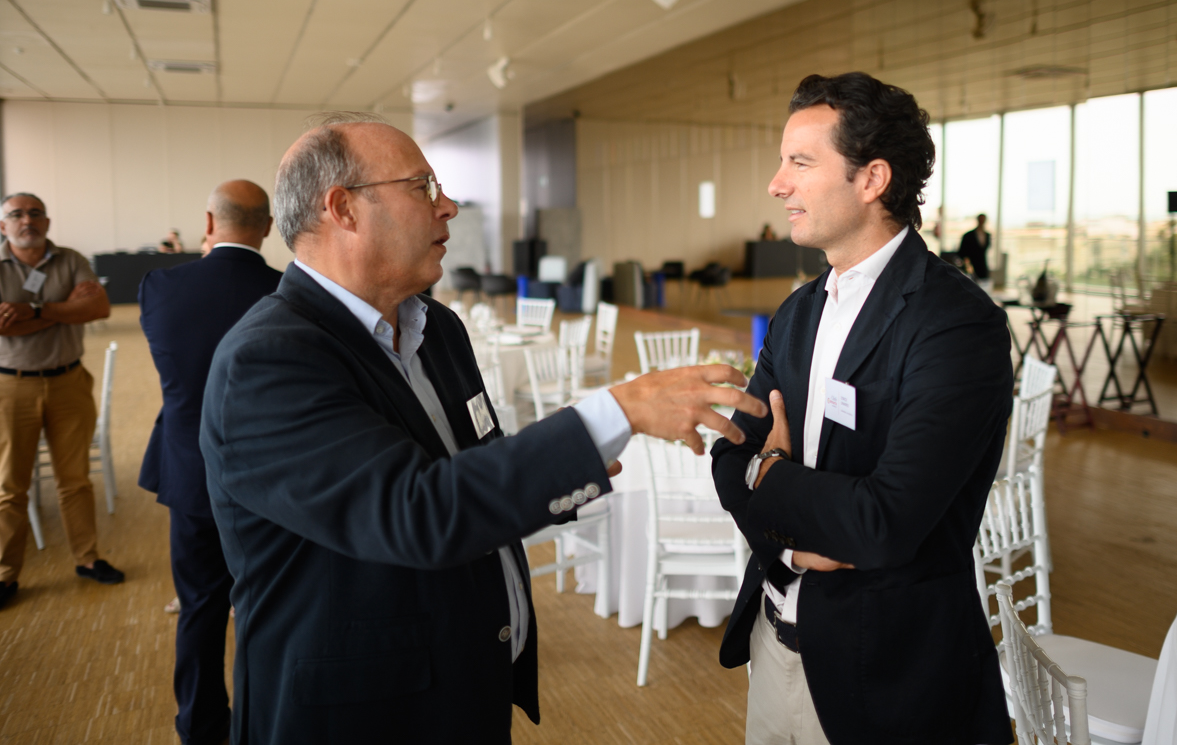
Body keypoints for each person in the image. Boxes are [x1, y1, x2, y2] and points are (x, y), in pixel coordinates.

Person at [199, 113, 767, 744]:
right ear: (344, 210)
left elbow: (472, 464)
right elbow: (417, 510)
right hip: (361, 715)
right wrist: (616, 412)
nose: (450, 206)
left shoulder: (434, 329)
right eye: (423, 187)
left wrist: (567, 461)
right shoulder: (267, 361)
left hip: (467, 689)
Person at [711, 73, 1014, 745]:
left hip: (886, 675)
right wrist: (782, 507)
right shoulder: (797, 311)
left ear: (872, 178)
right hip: (772, 641)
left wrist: (772, 476)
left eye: (800, 161)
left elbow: (883, 521)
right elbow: (729, 452)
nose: (776, 183)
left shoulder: (956, 325)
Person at [138, 180, 282, 745]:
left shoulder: (160, 287)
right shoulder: (288, 292)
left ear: (207, 223)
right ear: (268, 227)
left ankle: (199, 726)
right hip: (272, 482)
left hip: (190, 472)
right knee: (266, 608)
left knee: (199, 607)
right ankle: (264, 722)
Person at [0, 193, 120, 611]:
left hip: (69, 382)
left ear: (47, 222)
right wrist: (66, 307)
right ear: (4, 227)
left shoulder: (70, 260)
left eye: (35, 213)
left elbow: (99, 306)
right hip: (11, 389)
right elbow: (4, 330)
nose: (26, 221)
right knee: (10, 487)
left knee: (75, 481)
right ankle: (5, 575)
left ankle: (87, 559)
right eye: (16, 215)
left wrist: (31, 309)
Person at [958, 213, 993, 281]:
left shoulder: (987, 235)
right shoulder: (968, 235)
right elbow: (962, 252)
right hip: (971, 265)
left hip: (983, 265)